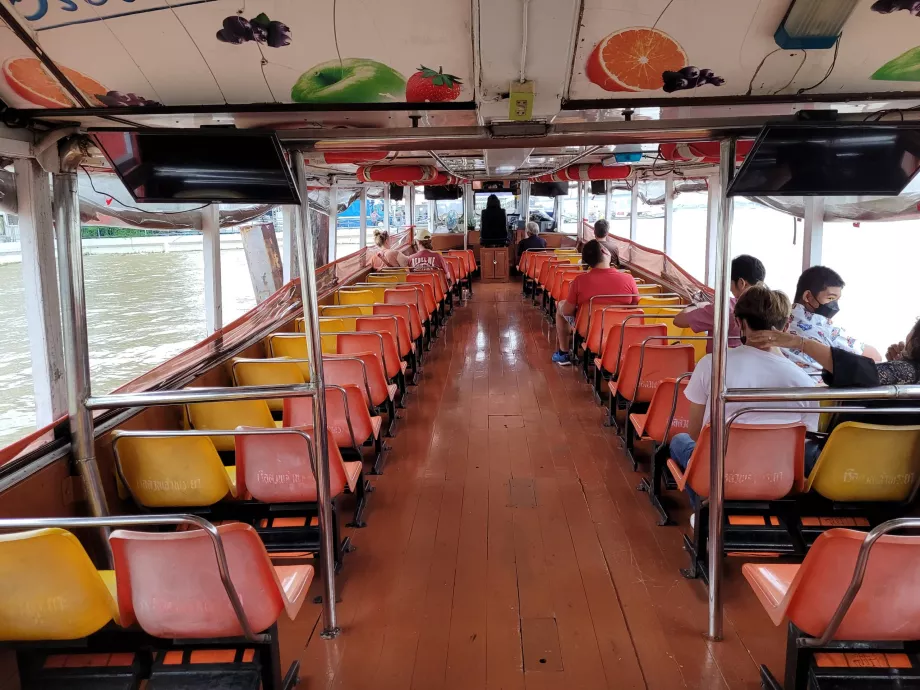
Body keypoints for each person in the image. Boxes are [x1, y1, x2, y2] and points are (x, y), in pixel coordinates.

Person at [669, 285, 819, 508]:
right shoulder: (805, 384)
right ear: (786, 325)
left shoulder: (712, 364)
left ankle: (705, 509)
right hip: (777, 478)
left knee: (680, 441)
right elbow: (805, 442)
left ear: (739, 323)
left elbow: (695, 431)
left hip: (717, 473)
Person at [747, 317, 920, 427]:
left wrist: (801, 343)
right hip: (899, 469)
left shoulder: (907, 371)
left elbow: (856, 369)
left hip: (854, 460)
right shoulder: (905, 370)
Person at [781, 266, 882, 375]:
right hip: (815, 389)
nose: (834, 305)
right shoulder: (824, 328)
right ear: (808, 296)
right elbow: (874, 357)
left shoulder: (778, 318)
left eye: (837, 300)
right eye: (830, 298)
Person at [553, 239, 639, 365]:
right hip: (622, 328)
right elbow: (634, 307)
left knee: (561, 306)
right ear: (605, 252)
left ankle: (563, 352)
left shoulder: (580, 281)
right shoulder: (628, 279)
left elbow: (568, 311)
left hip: (588, 328)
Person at [673, 254, 765, 354]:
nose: (729, 288)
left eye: (730, 282)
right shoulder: (772, 310)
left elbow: (679, 320)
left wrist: (698, 305)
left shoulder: (723, 309)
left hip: (720, 367)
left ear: (741, 283)